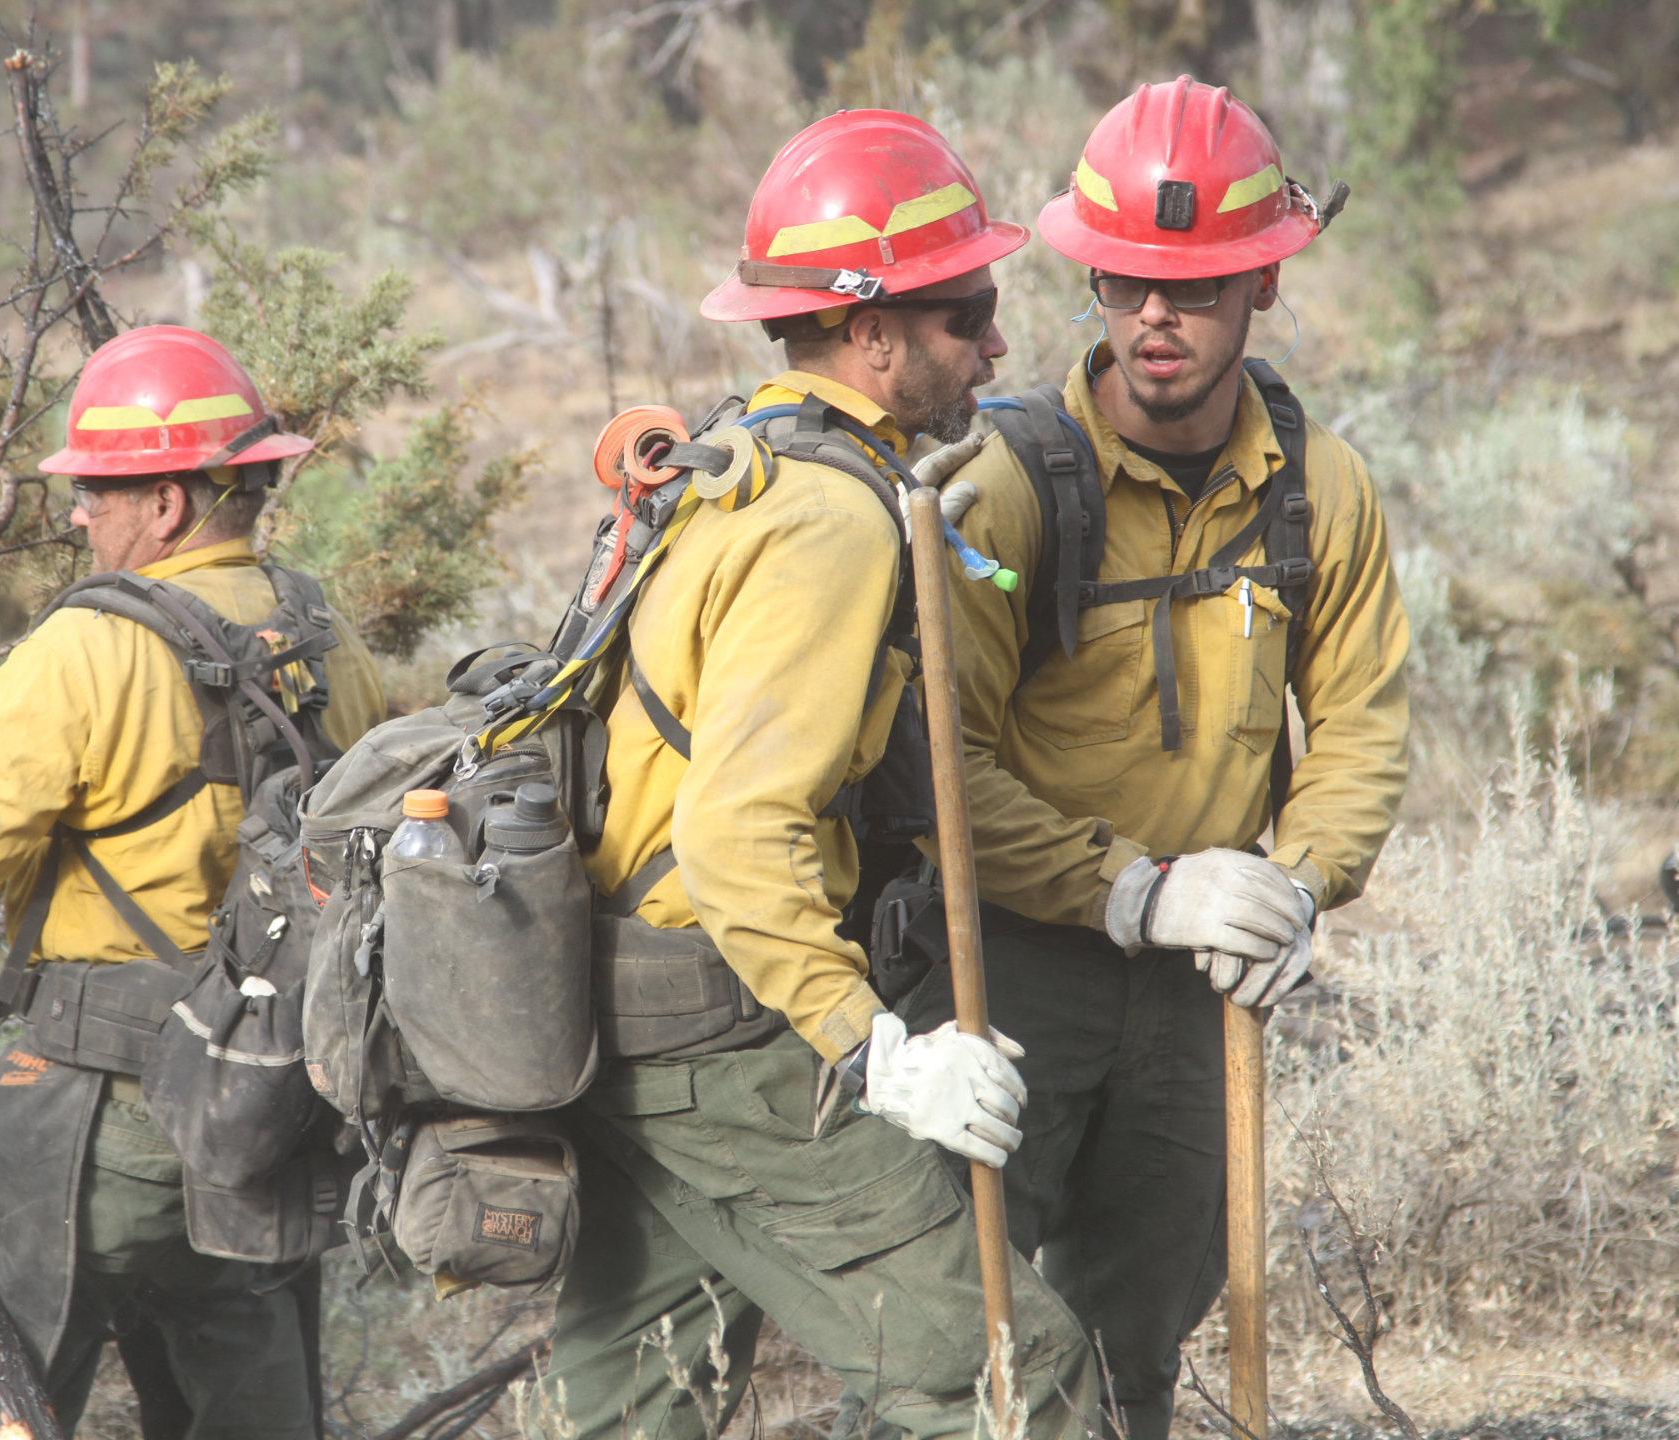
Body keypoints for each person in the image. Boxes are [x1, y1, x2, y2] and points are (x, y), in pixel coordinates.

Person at [542, 109, 1100, 1440]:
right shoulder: (829, 520)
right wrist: (878, 1053)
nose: (1000, 345)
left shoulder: (745, 457)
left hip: (622, 1004)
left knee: (636, 1402)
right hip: (724, 1029)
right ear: (873, 334)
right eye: (967, 313)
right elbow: (738, 839)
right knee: (1013, 1375)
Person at [915, 77, 1410, 1438]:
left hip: (1204, 979)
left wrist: (1297, 886)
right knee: (980, 1322)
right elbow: (941, 765)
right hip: (1011, 960)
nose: (1154, 316)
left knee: (1154, 1301)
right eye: (1124, 280)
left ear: (1263, 284)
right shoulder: (1004, 482)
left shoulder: (1323, 488)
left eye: (1192, 289)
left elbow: (1362, 718)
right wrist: (1127, 886)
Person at [0, 324, 386, 1440]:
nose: (80, 514)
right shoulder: (329, 639)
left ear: (170, 505)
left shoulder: (86, 647)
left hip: (98, 1112)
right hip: (270, 1106)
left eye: (96, 491)